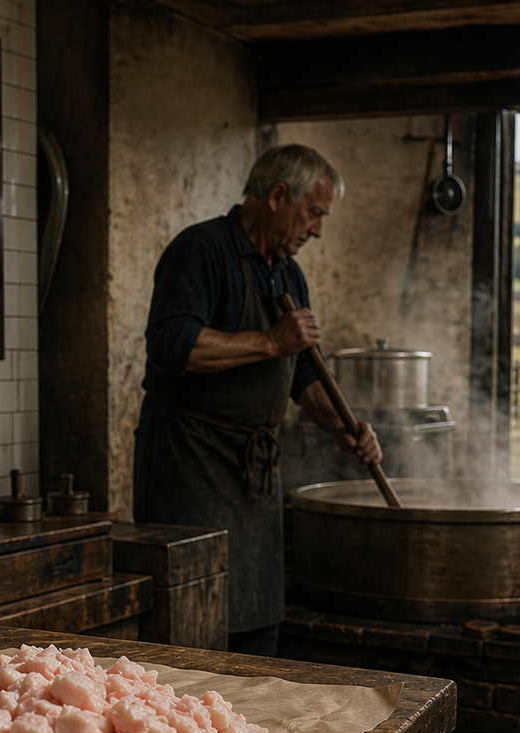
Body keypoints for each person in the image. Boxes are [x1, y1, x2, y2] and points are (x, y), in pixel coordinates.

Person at [134, 145, 382, 657]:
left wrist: (341, 426)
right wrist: (271, 341)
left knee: (257, 615)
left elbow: (301, 380)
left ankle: (249, 729)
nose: (317, 230)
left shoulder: (288, 273)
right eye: (314, 213)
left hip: (255, 477)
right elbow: (171, 345)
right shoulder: (201, 250)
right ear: (276, 196)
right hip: (190, 465)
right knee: (194, 621)